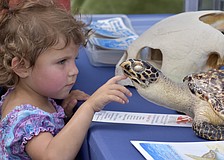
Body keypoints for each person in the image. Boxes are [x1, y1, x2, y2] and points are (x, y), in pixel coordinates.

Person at [0, 0, 132, 159]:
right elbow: (53, 156)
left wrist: (64, 112)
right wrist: (88, 108)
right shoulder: (25, 119)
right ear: (22, 67)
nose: (74, 71)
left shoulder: (33, 96)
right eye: (62, 62)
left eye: (74, 59)